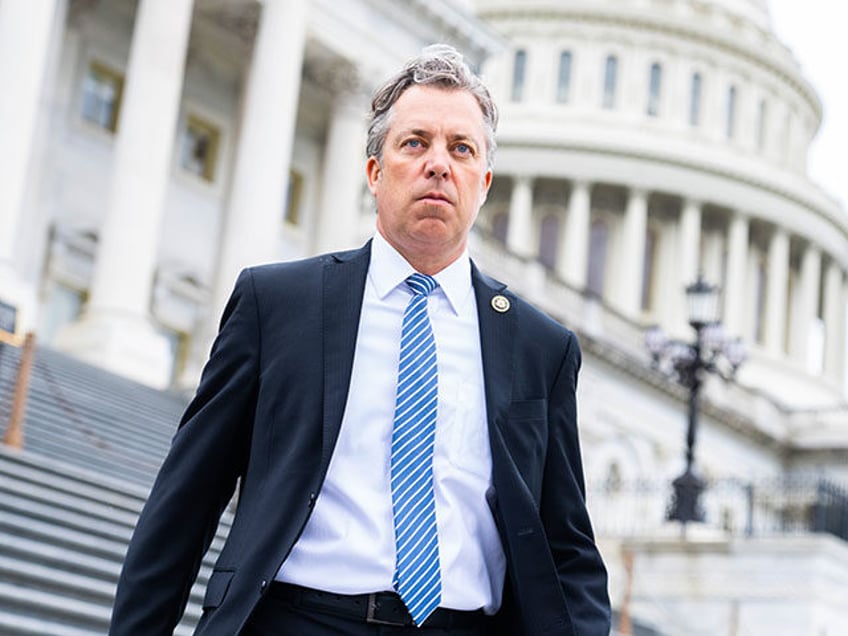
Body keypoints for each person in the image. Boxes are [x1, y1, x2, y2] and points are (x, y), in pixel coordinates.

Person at [110, 44, 610, 636]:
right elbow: (184, 504)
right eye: (415, 142)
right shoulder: (278, 305)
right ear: (375, 171)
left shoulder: (541, 348)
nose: (438, 165)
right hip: (298, 619)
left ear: (484, 183)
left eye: (461, 149)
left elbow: (567, 546)